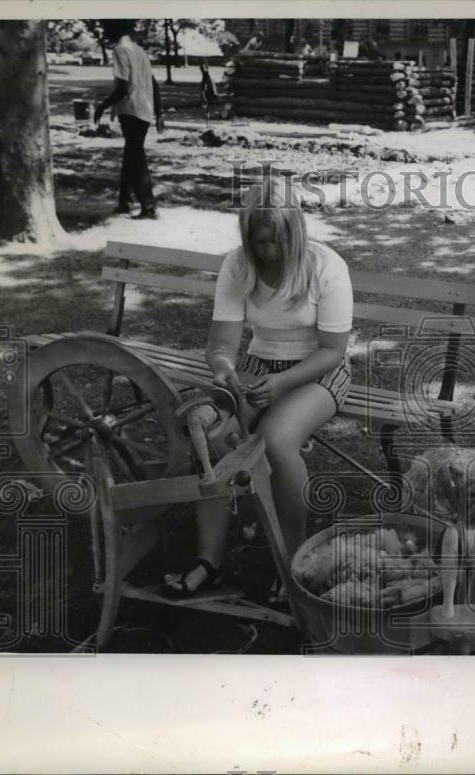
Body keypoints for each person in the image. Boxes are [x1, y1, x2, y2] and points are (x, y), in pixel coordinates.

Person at [163, 182, 353, 597]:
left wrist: (283, 382)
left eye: (278, 241)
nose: (269, 252)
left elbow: (333, 350)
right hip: (258, 364)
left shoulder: (326, 265)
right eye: (259, 241)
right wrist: (224, 370)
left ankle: (295, 557)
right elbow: (221, 344)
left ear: (296, 233)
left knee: (276, 440)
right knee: (212, 437)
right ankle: (208, 559)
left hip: (319, 368)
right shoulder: (238, 265)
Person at [93, 19, 164, 220]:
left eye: (107, 29)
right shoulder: (139, 50)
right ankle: (125, 201)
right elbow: (154, 84)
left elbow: (123, 88)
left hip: (131, 110)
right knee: (131, 153)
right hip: (145, 110)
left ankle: (149, 205)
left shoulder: (120, 50)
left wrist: (101, 106)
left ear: (114, 30)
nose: (105, 34)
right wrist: (159, 113)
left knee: (136, 155)